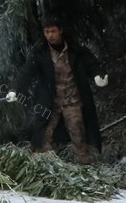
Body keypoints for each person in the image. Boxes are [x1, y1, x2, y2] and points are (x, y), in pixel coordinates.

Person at [6, 14, 108, 164]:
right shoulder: (40, 53)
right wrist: (14, 89)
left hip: (73, 102)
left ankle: (85, 170)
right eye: (47, 32)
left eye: (53, 31)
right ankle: (45, 169)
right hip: (49, 103)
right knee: (43, 137)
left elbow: (91, 63)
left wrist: (99, 75)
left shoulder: (75, 50)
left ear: (60, 31)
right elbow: (26, 73)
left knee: (80, 137)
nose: (50, 35)